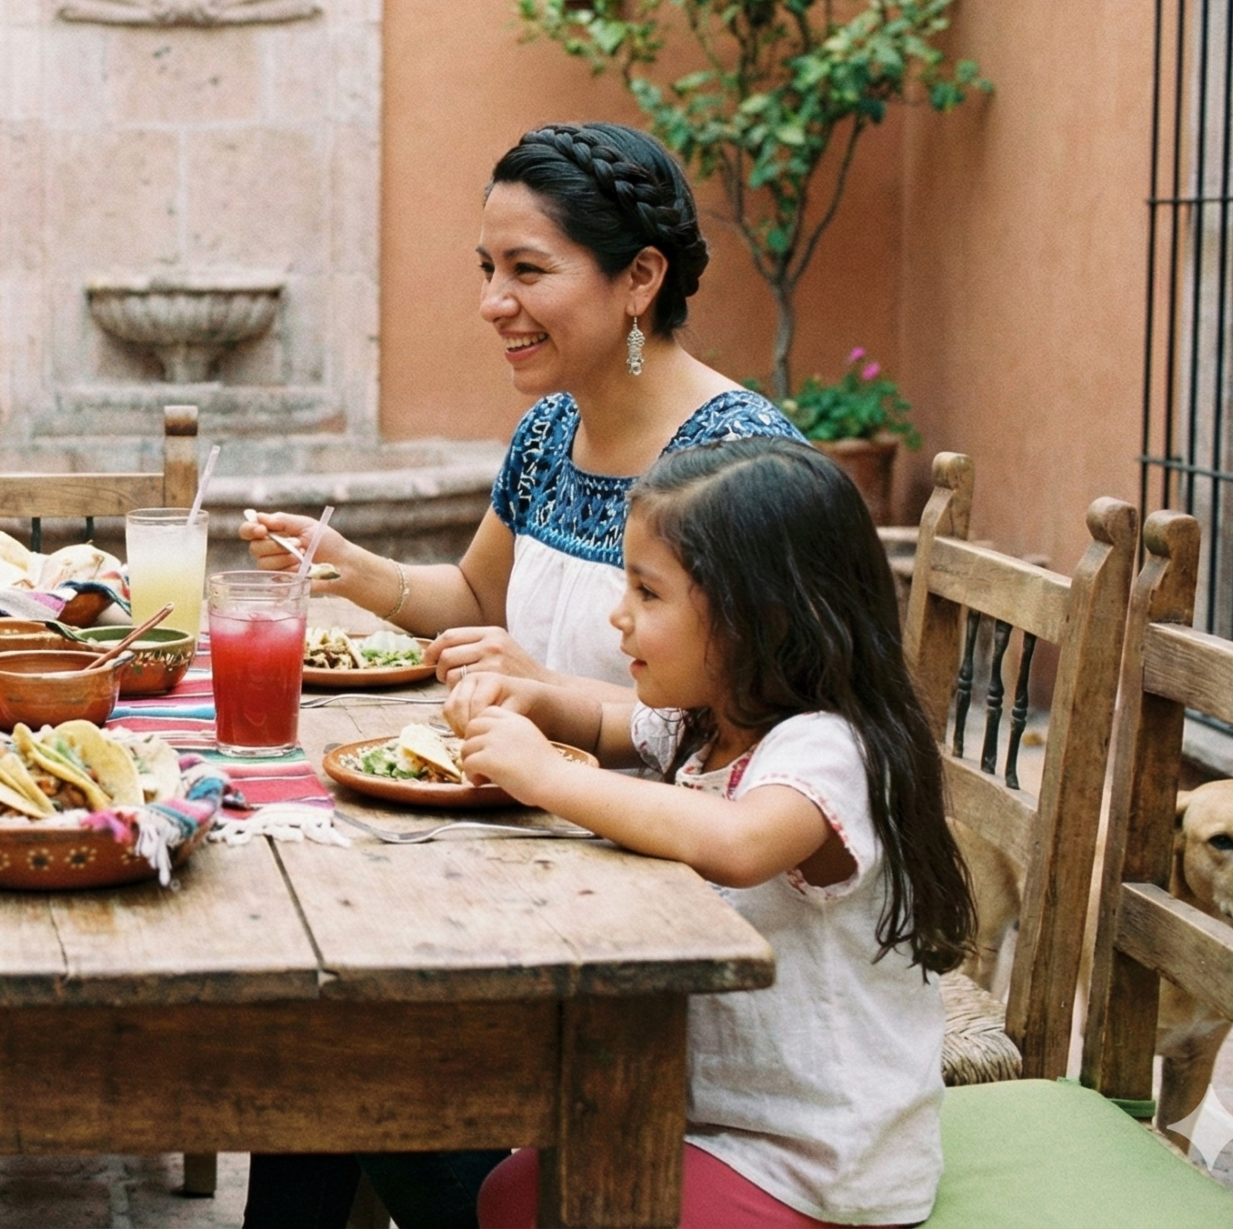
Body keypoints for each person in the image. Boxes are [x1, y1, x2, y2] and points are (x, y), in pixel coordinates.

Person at [448, 438, 969, 1227]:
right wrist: (533, 704)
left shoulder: (829, 749)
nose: (618, 614)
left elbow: (740, 840)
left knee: (531, 1202)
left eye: (648, 594)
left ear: (759, 618)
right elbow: (602, 719)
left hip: (817, 1165)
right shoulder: (712, 722)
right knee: (509, 1189)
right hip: (713, 1116)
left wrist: (551, 777)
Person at [240, 122, 803, 694]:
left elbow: (761, 720)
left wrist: (546, 690)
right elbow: (482, 600)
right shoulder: (549, 431)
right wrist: (346, 565)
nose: (492, 304)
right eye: (489, 269)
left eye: (527, 269)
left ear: (640, 277)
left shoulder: (742, 463)